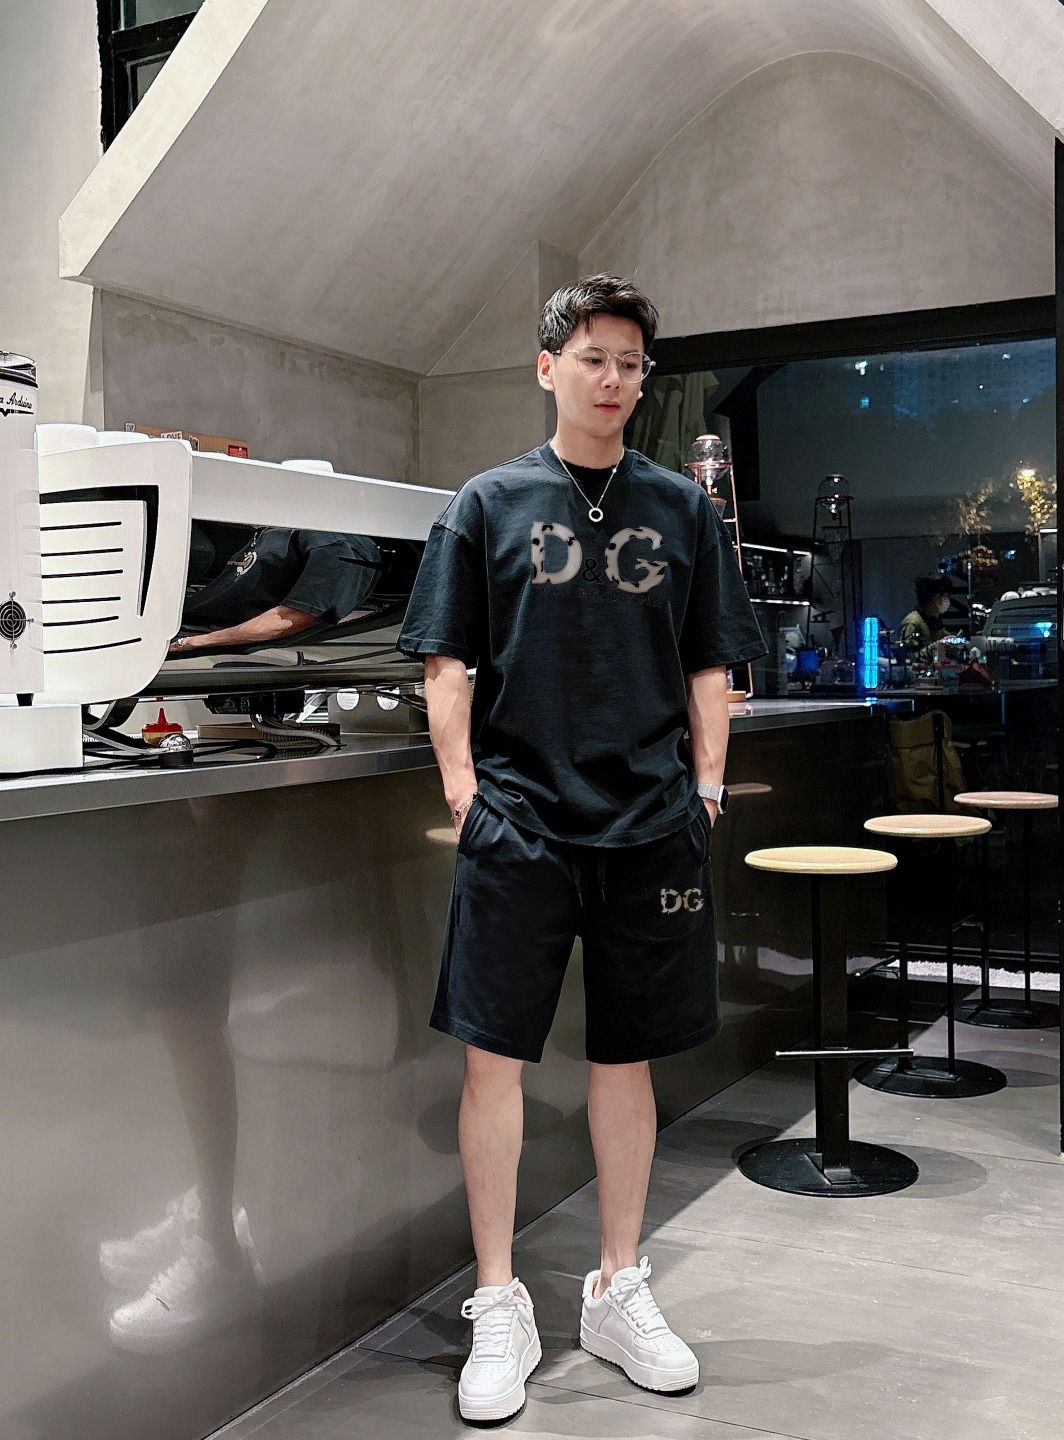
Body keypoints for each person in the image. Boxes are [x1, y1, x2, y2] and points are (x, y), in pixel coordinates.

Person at [396, 274, 764, 1423]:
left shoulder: (682, 509)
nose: (613, 380)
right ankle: (498, 1302)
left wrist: (706, 790)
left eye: (631, 364)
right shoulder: (488, 502)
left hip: (650, 827)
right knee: (492, 1064)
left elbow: (713, 660)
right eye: (594, 358)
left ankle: (616, 1288)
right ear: (548, 367)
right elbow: (445, 661)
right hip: (519, 826)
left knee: (627, 1060)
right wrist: (466, 796)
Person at [169, 526, 381, 653]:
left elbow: (292, 617)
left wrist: (194, 642)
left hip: (187, 639)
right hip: (176, 624)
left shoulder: (335, 544)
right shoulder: (277, 528)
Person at [897, 576, 954, 659]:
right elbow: (909, 658)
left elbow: (943, 637)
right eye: (944, 596)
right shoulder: (912, 623)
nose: (946, 600)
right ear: (934, 598)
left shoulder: (934, 620)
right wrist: (937, 646)